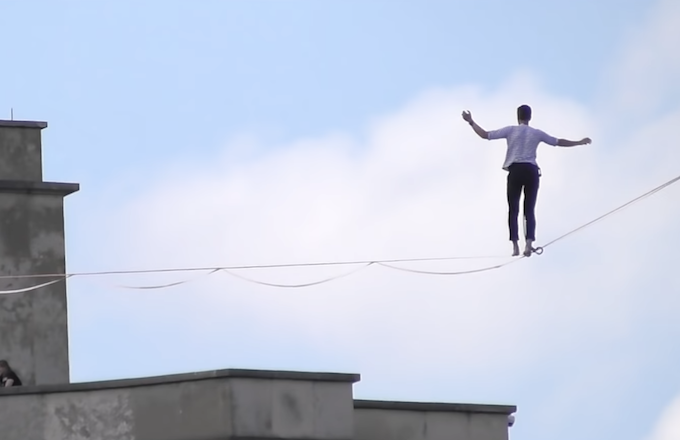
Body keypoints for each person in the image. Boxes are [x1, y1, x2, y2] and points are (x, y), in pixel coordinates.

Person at [462, 105, 591, 257]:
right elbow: (558, 142)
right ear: (530, 117)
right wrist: (579, 142)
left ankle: (515, 246)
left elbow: (485, 135)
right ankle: (529, 244)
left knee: (513, 209)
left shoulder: (510, 130)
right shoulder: (536, 133)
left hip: (515, 171)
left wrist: (471, 121)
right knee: (529, 209)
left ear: (518, 117)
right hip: (531, 171)